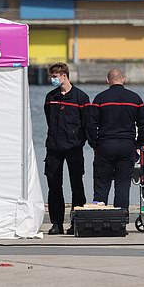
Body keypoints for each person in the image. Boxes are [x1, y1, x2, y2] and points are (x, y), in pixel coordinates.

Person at [87, 68, 144, 210]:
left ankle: (100, 218)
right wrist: (139, 144)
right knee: (122, 184)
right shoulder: (135, 99)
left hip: (105, 145)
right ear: (124, 79)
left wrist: (94, 144)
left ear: (107, 80)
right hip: (127, 146)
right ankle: (121, 218)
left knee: (102, 184)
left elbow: (90, 125)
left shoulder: (100, 99)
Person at [43, 62, 90, 235]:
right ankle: (57, 223)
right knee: (54, 186)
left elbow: (87, 123)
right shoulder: (51, 97)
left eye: (55, 76)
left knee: (77, 185)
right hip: (54, 148)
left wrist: (81, 141)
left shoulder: (81, 97)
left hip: (74, 147)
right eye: (51, 76)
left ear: (64, 76)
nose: (52, 79)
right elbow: (48, 118)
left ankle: (77, 222)